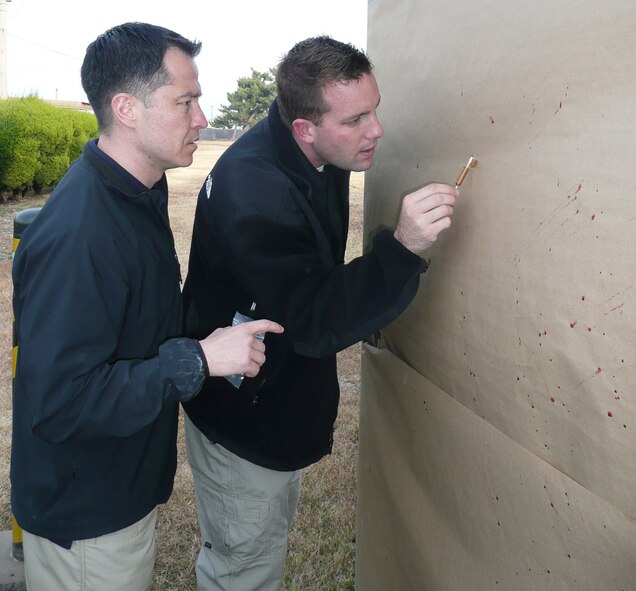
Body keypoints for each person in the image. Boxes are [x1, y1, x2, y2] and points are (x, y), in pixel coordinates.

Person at [10, 22, 282, 591]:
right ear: (127, 108)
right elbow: (61, 402)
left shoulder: (135, 193)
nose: (202, 119)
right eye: (185, 101)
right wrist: (199, 361)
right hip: (87, 522)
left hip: (118, 490)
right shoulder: (82, 233)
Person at [181, 36, 457, 590]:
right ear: (305, 128)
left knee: (261, 543)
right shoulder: (256, 191)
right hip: (242, 414)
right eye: (356, 119)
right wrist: (401, 248)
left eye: (375, 109)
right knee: (245, 566)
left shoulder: (310, 149)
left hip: (269, 391)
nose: (375, 129)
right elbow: (311, 318)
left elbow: (313, 282)